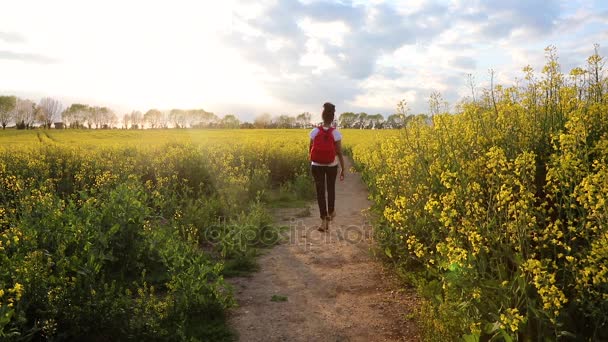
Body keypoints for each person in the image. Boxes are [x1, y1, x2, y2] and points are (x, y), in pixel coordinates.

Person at [309, 102, 345, 232]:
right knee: (330, 189)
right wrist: (343, 168)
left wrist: (312, 162)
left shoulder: (314, 131)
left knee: (320, 192)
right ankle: (331, 211)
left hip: (316, 165)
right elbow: (339, 152)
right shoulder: (336, 133)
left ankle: (324, 221)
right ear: (332, 117)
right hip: (331, 165)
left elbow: (310, 149)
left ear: (322, 116)